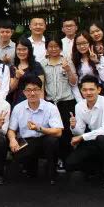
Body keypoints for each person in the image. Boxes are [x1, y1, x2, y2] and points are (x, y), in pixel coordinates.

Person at [66, 75, 104, 188]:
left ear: (99, 90)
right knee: (70, 164)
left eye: (91, 89)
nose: (88, 93)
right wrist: (73, 126)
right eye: (85, 90)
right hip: (93, 141)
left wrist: (82, 137)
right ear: (81, 91)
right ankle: (96, 168)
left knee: (101, 139)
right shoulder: (79, 106)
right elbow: (79, 132)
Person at [8, 74, 63, 185]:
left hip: (44, 139)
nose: (32, 93)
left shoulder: (50, 107)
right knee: (19, 156)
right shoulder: (18, 108)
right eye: (28, 90)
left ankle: (52, 171)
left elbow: (58, 132)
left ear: (41, 90)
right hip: (26, 140)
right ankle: (30, 166)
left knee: (52, 141)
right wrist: (12, 140)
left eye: (36, 89)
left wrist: (39, 128)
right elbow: (11, 130)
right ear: (24, 92)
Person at [41, 37, 78, 169]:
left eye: (56, 46)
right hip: (50, 103)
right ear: (46, 48)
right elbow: (42, 85)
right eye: (50, 46)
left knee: (67, 132)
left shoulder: (67, 61)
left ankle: (67, 160)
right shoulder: (43, 64)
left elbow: (74, 82)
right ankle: (54, 160)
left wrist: (68, 69)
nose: (53, 49)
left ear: (61, 48)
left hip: (66, 102)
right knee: (53, 132)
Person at [71, 31, 104, 102]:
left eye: (84, 43)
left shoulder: (100, 58)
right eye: (78, 44)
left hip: (98, 93)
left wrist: (96, 62)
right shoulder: (74, 60)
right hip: (83, 94)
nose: (82, 46)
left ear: (90, 43)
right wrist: (80, 101)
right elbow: (74, 85)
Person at [9, 37, 45, 107]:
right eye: (19, 49)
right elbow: (11, 89)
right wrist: (17, 77)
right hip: (18, 103)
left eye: (24, 49)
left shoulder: (36, 65)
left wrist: (41, 105)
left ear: (29, 50)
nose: (21, 52)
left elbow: (41, 88)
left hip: (34, 102)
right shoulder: (13, 67)